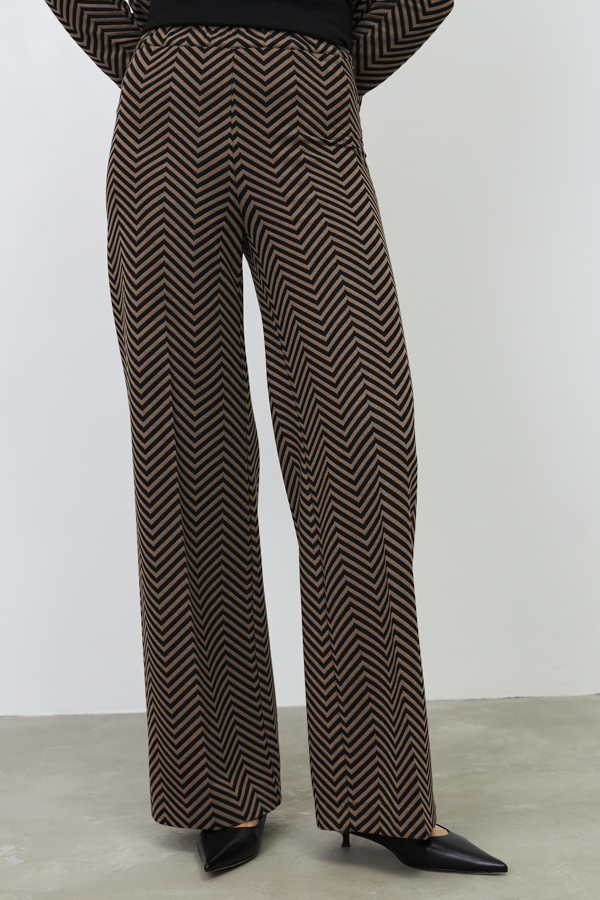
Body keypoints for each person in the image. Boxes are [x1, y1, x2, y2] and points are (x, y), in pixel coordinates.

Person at [43, 0, 508, 876]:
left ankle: (383, 795)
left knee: (360, 447)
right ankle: (217, 786)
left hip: (311, 112)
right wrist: (152, 56)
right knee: (185, 452)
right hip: (164, 114)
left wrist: (327, 61)